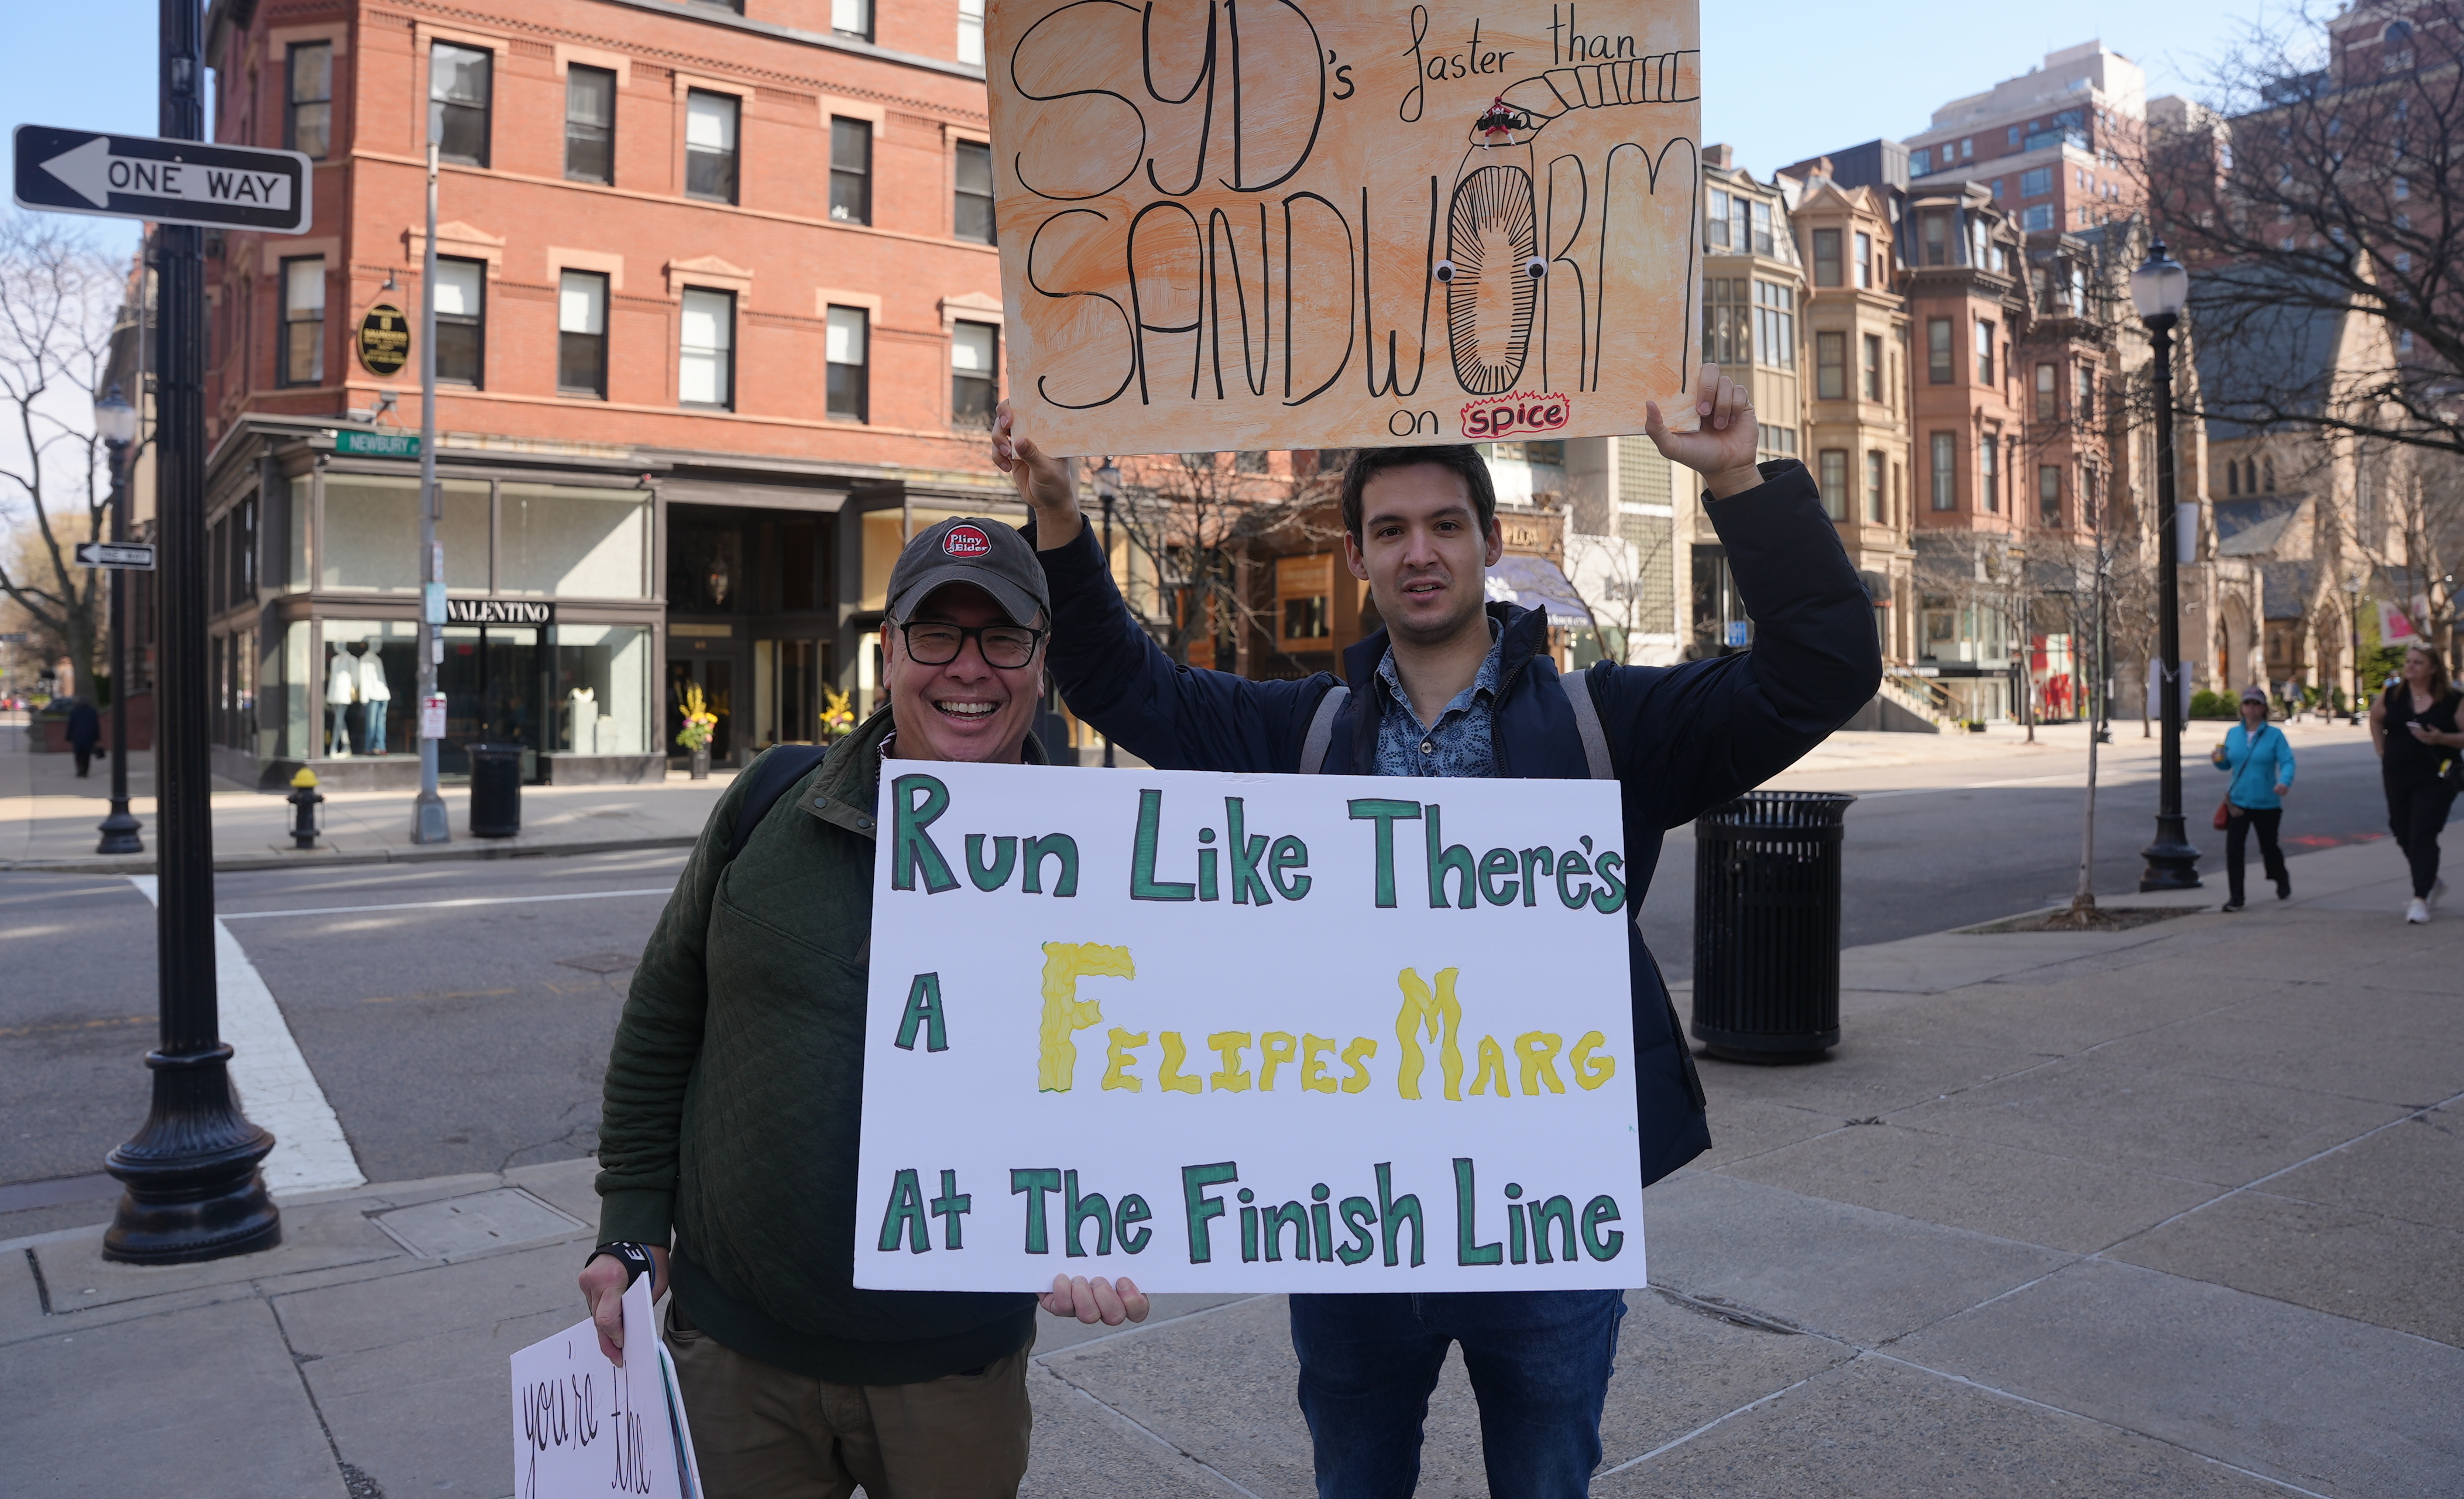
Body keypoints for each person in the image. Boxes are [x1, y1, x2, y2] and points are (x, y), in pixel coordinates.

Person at [995, 364, 1881, 1497]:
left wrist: (1738, 483)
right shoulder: (1300, 736)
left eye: (1444, 525)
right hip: (1349, 1228)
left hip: (1544, 1224)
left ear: (1486, 543)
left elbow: (1820, 670)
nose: (1419, 551)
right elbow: (1121, 683)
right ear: (1358, 558)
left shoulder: (1606, 725)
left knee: (1544, 1479)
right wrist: (1060, 518)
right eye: (1389, 530)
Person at [581, 516, 1148, 1497]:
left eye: (1001, 637)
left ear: (1041, 661)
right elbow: (667, 1012)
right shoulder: (770, 801)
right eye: (936, 634)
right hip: (736, 1358)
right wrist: (632, 1223)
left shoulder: (1114, 861)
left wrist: (1110, 1231)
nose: (967, 668)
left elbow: (1157, 1079)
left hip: (951, 1373)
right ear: (889, 650)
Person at [2373, 641, 2464, 924]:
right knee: (2401, 830)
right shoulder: (2394, 695)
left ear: (2433, 669)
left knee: (2422, 833)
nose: (2410, 666)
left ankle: (2420, 897)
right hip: (2396, 775)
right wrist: (2382, 750)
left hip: (2436, 777)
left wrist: (2441, 738)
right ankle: (2431, 879)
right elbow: (2375, 719)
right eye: (2409, 661)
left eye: (2418, 662)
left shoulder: (2453, 700)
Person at [2211, 686, 2294, 912]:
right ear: (2242, 707)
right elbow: (2227, 764)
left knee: (2269, 848)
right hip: (2238, 802)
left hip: (2267, 802)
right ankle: (2236, 897)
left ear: (2264, 708)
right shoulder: (2233, 734)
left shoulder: (2274, 735)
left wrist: (2284, 782)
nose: (2251, 708)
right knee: (2234, 850)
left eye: (2256, 704)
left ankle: (2280, 877)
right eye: (2247, 703)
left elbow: (2287, 761)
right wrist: (2218, 760)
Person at [64, 696, 100, 778]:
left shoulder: (75, 712)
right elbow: (96, 726)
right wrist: (97, 737)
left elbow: (71, 725)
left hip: (77, 737)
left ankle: (80, 770)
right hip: (89, 737)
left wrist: (68, 737)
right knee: (87, 755)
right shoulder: (92, 712)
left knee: (78, 755)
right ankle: (85, 771)